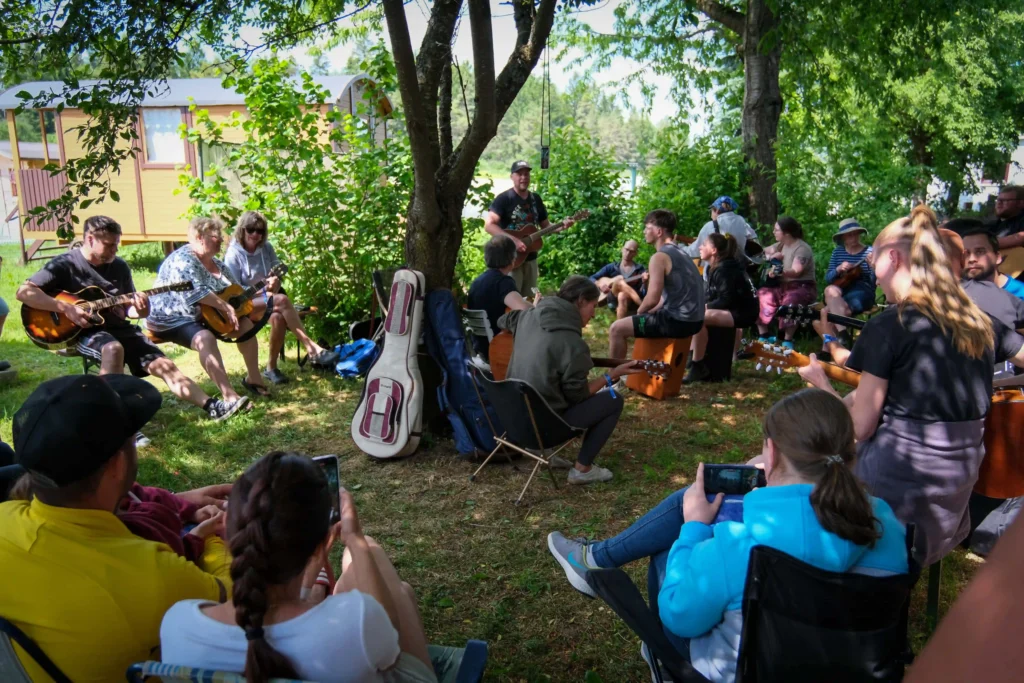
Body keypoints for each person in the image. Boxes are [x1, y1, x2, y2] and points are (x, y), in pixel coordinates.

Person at [547, 389, 908, 683]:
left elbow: (678, 616)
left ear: (772, 452)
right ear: (851, 451)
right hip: (852, 671)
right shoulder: (889, 527)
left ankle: (666, 666)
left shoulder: (736, 547)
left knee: (671, 555)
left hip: (744, 672)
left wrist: (693, 530)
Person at [798, 205, 995, 567]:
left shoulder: (891, 325)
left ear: (893, 258)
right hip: (950, 503)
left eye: (874, 267)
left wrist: (822, 384)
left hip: (893, 505)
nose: (875, 279)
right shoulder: (978, 324)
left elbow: (859, 428)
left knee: (784, 464)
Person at [0, 375, 231, 683]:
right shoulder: (152, 573)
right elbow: (232, 599)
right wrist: (213, 536)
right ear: (117, 465)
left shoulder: (6, 515)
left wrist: (176, 501)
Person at [160, 451, 437, 683]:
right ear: (319, 544)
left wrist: (307, 588)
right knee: (400, 591)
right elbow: (389, 626)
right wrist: (354, 539)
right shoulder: (356, 625)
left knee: (393, 590)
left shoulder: (176, 626)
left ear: (229, 537)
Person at [15, 216, 235, 423]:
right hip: (82, 331)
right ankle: (114, 420)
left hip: (120, 327)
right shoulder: (66, 264)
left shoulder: (119, 266)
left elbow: (129, 310)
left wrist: (140, 309)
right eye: (109, 245)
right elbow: (24, 292)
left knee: (164, 365)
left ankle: (212, 406)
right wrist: (64, 307)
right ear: (90, 239)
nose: (115, 249)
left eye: (116, 244)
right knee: (113, 349)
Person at [498, 276, 640, 485]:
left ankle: (542, 450)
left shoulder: (527, 316)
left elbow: (502, 321)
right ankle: (582, 470)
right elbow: (579, 397)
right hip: (543, 429)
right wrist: (612, 375)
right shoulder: (573, 344)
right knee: (613, 400)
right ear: (581, 300)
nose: (594, 313)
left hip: (513, 421)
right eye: (593, 306)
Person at [146, 216, 264, 410]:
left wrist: (263, 288)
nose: (221, 239)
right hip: (171, 317)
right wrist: (224, 307)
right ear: (200, 237)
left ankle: (254, 379)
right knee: (205, 338)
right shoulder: (182, 259)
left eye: (221, 235)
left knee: (246, 325)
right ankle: (229, 395)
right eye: (216, 236)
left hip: (205, 316)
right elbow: (195, 293)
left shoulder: (217, 263)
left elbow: (236, 289)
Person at [224, 211, 339, 385]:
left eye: (260, 231)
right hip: (242, 306)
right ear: (242, 230)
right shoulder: (233, 254)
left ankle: (271, 368)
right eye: (251, 230)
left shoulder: (267, 248)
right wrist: (264, 290)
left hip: (264, 300)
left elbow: (276, 276)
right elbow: (234, 291)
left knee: (278, 317)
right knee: (281, 300)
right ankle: (312, 349)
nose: (255, 234)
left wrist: (275, 283)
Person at [608, 210, 705, 360]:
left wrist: (640, 312)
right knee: (641, 319)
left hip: (678, 321)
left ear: (659, 231)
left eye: (647, 228)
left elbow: (653, 298)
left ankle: (613, 380)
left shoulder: (659, 257)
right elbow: (663, 299)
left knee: (616, 329)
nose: (644, 231)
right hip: (696, 321)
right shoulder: (681, 252)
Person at [485, 160, 575, 294]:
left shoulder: (535, 199)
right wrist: (514, 241)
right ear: (512, 176)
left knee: (529, 299)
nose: (523, 177)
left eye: (526, 174)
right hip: (511, 260)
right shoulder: (504, 199)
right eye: (519, 174)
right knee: (511, 298)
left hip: (531, 258)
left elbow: (546, 226)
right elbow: (489, 226)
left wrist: (563, 226)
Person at [685, 233, 758, 384]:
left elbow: (727, 299)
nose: (700, 246)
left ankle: (697, 366)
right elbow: (712, 296)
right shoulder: (717, 267)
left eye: (704, 244)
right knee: (696, 313)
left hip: (743, 313)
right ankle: (693, 358)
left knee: (700, 317)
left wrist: (705, 307)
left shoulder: (725, 269)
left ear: (714, 250)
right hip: (732, 309)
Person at [467, 234, 533, 361]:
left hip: (480, 347)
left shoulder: (477, 281)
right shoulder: (502, 282)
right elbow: (525, 309)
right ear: (512, 259)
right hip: (498, 348)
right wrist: (536, 304)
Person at [755, 216, 817, 348]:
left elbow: (796, 271)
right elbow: (761, 252)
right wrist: (771, 257)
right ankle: (764, 335)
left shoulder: (802, 248)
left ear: (786, 233)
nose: (773, 232)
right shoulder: (780, 245)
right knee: (761, 294)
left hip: (802, 286)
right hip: (782, 286)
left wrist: (779, 271)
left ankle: (787, 340)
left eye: (776, 230)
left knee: (791, 299)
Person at [961, 227, 1024, 329]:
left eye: (980, 251)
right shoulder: (960, 294)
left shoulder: (1021, 293)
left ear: (998, 257)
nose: (971, 259)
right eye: (966, 254)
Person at [823, 219, 876, 333]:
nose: (853, 237)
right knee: (829, 290)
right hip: (841, 288)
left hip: (862, 291)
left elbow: (874, 283)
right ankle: (843, 336)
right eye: (849, 235)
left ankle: (830, 348)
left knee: (826, 313)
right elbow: (828, 278)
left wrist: (872, 266)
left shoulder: (870, 252)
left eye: (856, 234)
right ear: (843, 238)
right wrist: (838, 269)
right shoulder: (837, 252)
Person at [681, 196, 759, 273]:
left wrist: (679, 247)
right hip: (739, 269)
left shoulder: (710, 226)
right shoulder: (742, 222)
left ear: (717, 210)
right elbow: (754, 240)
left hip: (718, 272)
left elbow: (694, 252)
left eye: (711, 210)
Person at [590, 239, 648, 320]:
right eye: (626, 249)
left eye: (631, 251)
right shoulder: (611, 267)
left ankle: (620, 329)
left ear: (635, 253)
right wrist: (600, 284)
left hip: (631, 301)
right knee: (619, 281)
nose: (628, 253)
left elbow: (643, 293)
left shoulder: (640, 269)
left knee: (622, 296)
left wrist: (645, 283)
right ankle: (644, 307)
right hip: (613, 297)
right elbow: (591, 278)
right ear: (622, 249)